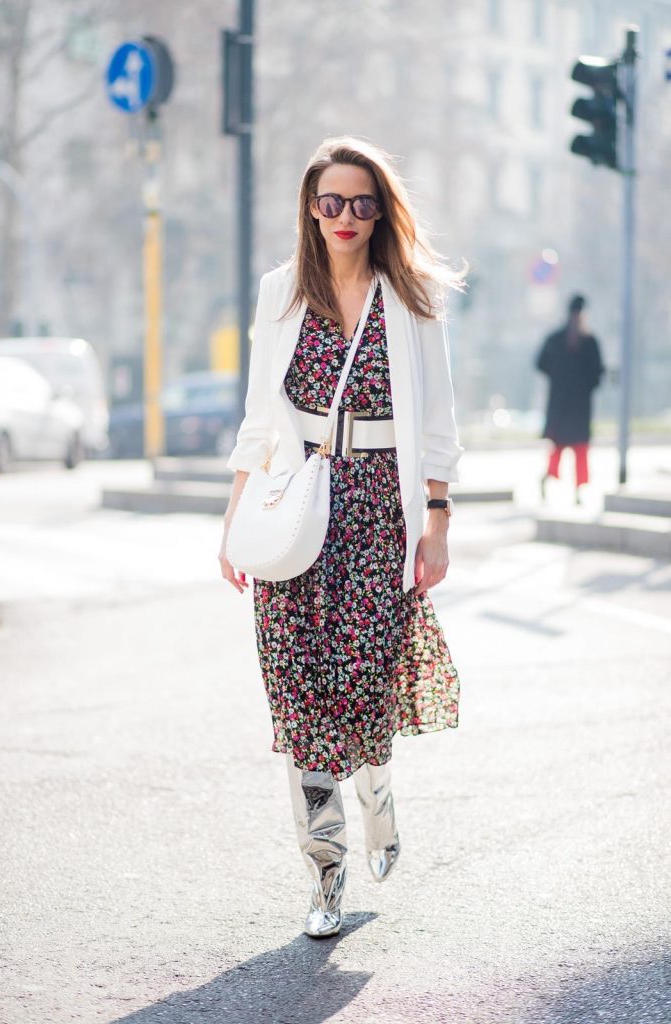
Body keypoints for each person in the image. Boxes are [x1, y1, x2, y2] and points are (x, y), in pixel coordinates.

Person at [219, 136, 464, 939]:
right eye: (331, 202)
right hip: (297, 510)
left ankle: (377, 788)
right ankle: (325, 875)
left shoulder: (412, 292)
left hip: (375, 515)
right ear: (309, 210)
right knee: (297, 699)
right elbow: (260, 417)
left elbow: (437, 423)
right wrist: (234, 521)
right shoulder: (280, 292)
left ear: (380, 209)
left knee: (360, 692)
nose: (346, 216)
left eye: (362, 202)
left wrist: (436, 523)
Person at [536, 294, 605, 503]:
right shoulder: (585, 340)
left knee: (571, 448)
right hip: (574, 405)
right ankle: (567, 486)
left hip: (566, 404)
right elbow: (597, 373)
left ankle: (573, 489)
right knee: (571, 448)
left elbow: (540, 363)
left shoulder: (560, 339)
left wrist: (558, 379)